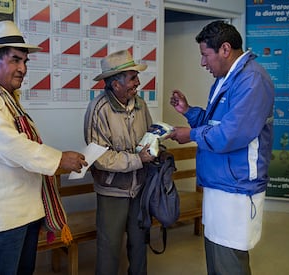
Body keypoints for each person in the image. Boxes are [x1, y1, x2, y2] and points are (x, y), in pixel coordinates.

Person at [0, 20, 88, 275]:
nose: (23, 68)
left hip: (25, 215)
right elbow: (8, 144)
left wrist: (56, 161)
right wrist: (58, 160)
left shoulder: (5, 97)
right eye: (15, 60)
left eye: (25, 61)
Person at [166, 20, 274, 275]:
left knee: (229, 264)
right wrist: (189, 112)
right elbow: (216, 124)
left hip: (236, 189)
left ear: (225, 49)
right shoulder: (229, 79)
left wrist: (190, 134)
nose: (203, 63)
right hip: (219, 184)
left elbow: (230, 134)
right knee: (216, 260)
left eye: (205, 55)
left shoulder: (252, 80)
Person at [84, 50, 155, 275]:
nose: (138, 82)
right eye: (132, 77)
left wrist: (155, 146)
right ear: (115, 84)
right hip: (113, 191)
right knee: (109, 248)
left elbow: (149, 135)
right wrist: (137, 158)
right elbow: (100, 158)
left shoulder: (141, 105)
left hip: (140, 188)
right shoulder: (98, 109)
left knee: (139, 243)